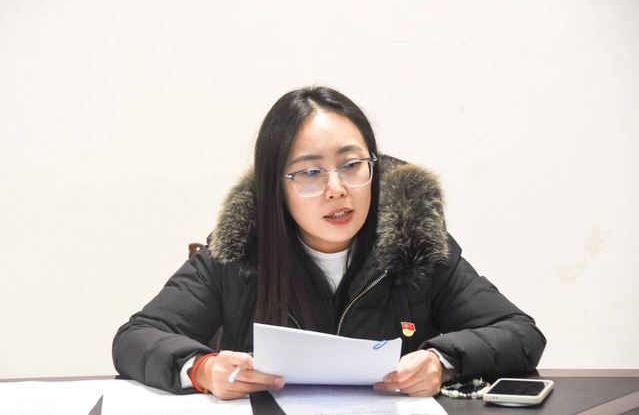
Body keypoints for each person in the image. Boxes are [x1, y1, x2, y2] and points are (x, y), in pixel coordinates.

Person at [112, 86, 546, 400]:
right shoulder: (239, 252)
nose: (337, 189)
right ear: (276, 186)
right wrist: (203, 369)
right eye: (310, 172)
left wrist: (442, 361)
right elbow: (136, 337)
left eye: (352, 165)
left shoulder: (415, 245)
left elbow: (520, 333)